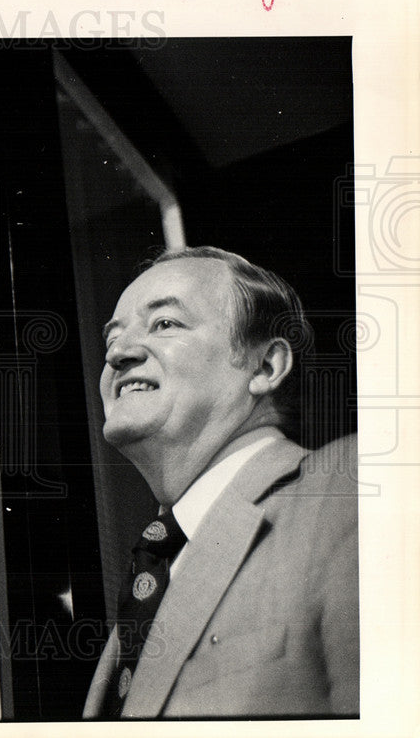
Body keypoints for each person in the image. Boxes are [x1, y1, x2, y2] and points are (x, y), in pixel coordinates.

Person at [82, 246, 358, 719]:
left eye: (165, 323)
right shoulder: (158, 568)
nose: (118, 355)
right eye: (113, 337)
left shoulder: (353, 490)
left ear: (265, 367)